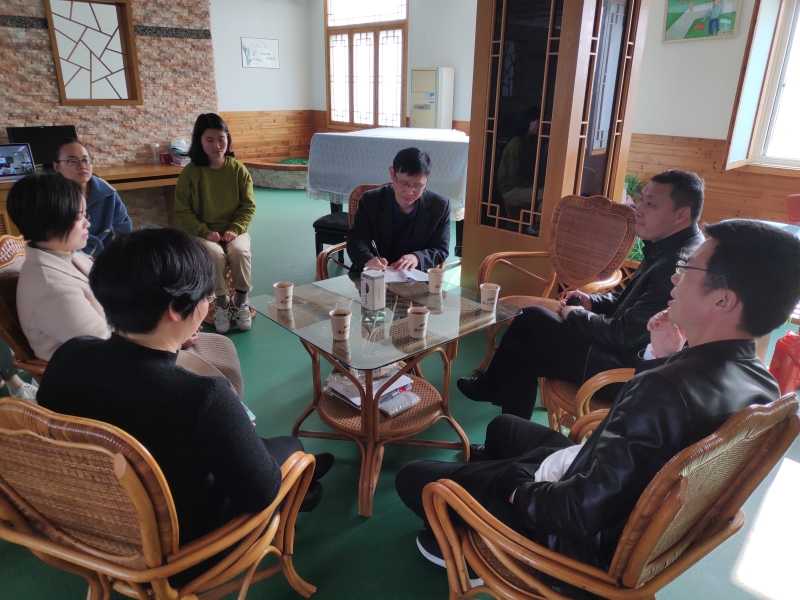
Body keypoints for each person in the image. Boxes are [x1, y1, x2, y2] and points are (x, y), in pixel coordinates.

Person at [397, 219, 800, 578]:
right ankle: (482, 496)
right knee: (504, 428)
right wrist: (660, 358)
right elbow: (658, 433)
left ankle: (486, 548)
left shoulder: (666, 390)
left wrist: (517, 486)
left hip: (577, 541)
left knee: (413, 478)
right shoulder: (761, 383)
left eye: (688, 269)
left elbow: (577, 511)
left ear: (723, 300)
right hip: (614, 493)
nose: (675, 279)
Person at [34, 228, 332, 560]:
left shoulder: (69, 356)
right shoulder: (202, 396)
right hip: (180, 547)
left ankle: (304, 483)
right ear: (175, 308)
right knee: (293, 448)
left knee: (240, 443)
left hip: (95, 525)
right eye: (208, 295)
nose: (208, 303)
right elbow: (260, 495)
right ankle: (305, 488)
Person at [458, 169, 707, 420]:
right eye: (641, 200)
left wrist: (575, 314)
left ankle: (490, 386)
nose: (638, 210)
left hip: (624, 372)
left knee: (531, 317)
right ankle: (507, 434)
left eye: (651, 204)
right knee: (518, 353)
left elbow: (624, 335)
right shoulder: (668, 245)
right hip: (618, 354)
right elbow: (633, 302)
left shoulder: (676, 265)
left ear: (681, 215)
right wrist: (593, 302)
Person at [7, 172, 244, 403]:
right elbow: (106, 346)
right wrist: (169, 335)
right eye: (79, 217)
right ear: (50, 224)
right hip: (105, 377)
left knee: (221, 347)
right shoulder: (51, 289)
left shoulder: (67, 255)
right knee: (215, 388)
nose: (87, 222)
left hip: (128, 348)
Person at [175, 113, 255, 334]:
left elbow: (248, 207)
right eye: (209, 140)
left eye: (221, 138)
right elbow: (183, 211)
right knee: (214, 254)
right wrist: (204, 231)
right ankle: (221, 304)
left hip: (235, 230)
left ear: (228, 138)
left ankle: (241, 302)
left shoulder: (238, 169)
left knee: (240, 252)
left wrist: (235, 229)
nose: (217, 145)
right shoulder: (190, 173)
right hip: (202, 233)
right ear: (199, 142)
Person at [346, 147, 450, 273]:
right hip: (374, 273)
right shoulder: (371, 200)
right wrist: (367, 259)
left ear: (426, 181)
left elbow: (440, 249)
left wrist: (417, 257)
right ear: (392, 173)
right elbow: (356, 239)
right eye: (404, 183)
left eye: (417, 186)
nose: (409, 192)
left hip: (414, 275)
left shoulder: (439, 206)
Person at [52, 138, 132, 257]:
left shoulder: (107, 192)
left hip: (109, 257)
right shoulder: (52, 199)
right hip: (70, 258)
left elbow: (123, 230)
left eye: (85, 160)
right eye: (72, 161)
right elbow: (55, 241)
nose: (82, 166)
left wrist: (111, 257)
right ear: (57, 167)